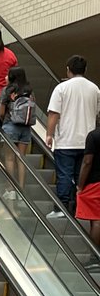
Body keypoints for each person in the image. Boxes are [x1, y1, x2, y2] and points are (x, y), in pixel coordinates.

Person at [46, 56, 100, 218]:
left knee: (64, 174)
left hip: (66, 141)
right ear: (85, 70)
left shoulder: (62, 88)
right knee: (80, 176)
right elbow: (97, 114)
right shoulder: (95, 89)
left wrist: (49, 134)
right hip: (87, 141)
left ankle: (62, 208)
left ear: (68, 69)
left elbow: (54, 113)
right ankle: (78, 206)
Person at [0, 66, 36, 196]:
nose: (5, 77)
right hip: (25, 129)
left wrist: (6, 120)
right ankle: (21, 189)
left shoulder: (7, 90)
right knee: (21, 159)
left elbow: (1, 112)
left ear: (12, 77)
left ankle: (10, 188)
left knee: (9, 158)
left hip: (10, 125)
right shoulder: (29, 92)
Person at [75, 126, 100, 250]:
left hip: (96, 182)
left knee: (96, 219)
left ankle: (95, 256)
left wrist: (80, 185)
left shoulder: (94, 136)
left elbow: (87, 162)